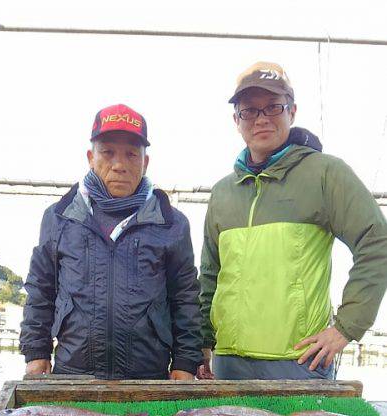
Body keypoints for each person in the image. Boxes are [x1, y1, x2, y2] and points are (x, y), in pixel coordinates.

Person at [198, 62, 387, 380]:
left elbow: (376, 241)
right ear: (236, 120)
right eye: (250, 111)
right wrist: (203, 345)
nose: (261, 119)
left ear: (292, 111)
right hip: (228, 363)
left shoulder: (325, 174)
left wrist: (346, 327)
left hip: (298, 364)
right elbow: (210, 276)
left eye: (273, 107)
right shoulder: (223, 193)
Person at [20, 103, 203, 380]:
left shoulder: (172, 223)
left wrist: (186, 362)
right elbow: (40, 290)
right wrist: (36, 352)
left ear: (146, 162)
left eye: (131, 154)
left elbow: (185, 298)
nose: (119, 165)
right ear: (91, 157)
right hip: (73, 373)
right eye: (108, 153)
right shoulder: (59, 218)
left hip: (149, 376)